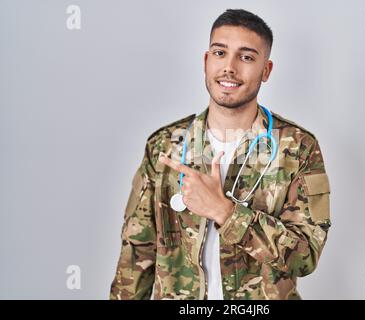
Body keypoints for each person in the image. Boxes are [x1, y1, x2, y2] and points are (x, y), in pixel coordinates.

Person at [110, 8, 331, 300]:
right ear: (205, 61)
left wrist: (225, 212)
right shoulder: (165, 146)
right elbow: (135, 256)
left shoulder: (298, 147)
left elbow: (305, 256)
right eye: (219, 53)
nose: (229, 67)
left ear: (266, 70)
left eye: (247, 57)